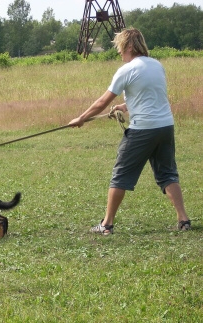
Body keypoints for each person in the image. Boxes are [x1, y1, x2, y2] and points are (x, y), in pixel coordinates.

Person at [68, 28, 191, 235]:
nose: (119, 52)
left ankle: (106, 225)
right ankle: (184, 220)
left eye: (120, 48)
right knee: (168, 174)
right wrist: (126, 106)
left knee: (120, 175)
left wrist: (81, 118)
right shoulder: (157, 66)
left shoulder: (127, 70)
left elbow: (102, 101)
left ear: (130, 47)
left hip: (143, 130)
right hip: (165, 127)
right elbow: (149, 96)